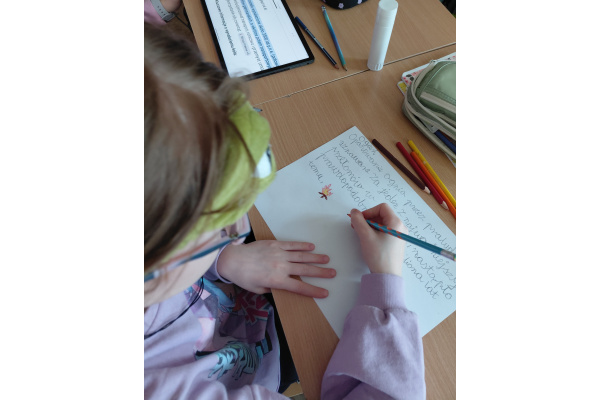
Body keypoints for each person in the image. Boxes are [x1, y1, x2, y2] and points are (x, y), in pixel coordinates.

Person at [144, 13, 425, 400]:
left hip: (233, 298)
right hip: (261, 366)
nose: (239, 230)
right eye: (220, 227)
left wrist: (222, 258)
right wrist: (387, 287)